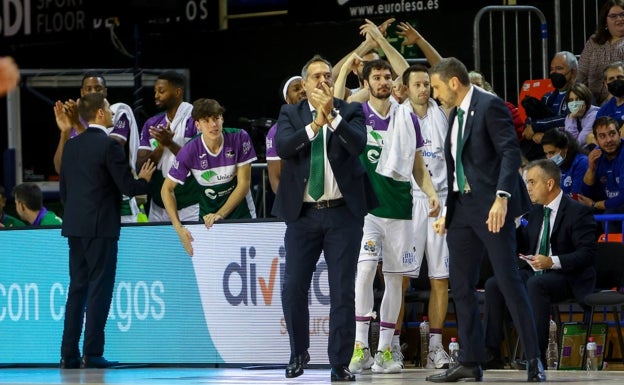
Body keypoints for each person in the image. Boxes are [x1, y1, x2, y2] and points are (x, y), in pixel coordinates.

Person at [428, 57, 545, 382]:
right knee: (461, 287)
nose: (435, 95)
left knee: (508, 282)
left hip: (493, 207)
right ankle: (470, 360)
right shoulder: (454, 114)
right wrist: (448, 213)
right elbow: (456, 169)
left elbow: (509, 151)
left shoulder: (490, 106)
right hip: (462, 210)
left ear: (453, 82)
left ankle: (534, 359)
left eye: (436, 87)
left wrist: (502, 197)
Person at [272, 54, 378, 382]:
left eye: (327, 75)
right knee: (292, 288)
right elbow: (285, 147)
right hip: (303, 215)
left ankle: (339, 364)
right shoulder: (290, 113)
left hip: (342, 215)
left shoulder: (350, 111)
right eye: (316, 76)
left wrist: (331, 117)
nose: (323, 81)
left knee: (343, 291)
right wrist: (315, 124)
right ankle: (298, 352)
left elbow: (358, 144)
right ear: (304, 85)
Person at [348, 60, 439, 375]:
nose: (384, 81)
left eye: (388, 77)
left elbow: (417, 166)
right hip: (368, 212)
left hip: (400, 211)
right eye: (377, 77)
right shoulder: (358, 114)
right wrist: (357, 56)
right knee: (364, 272)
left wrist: (431, 193)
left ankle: (386, 349)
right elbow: (341, 100)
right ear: (366, 82)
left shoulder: (407, 118)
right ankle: (361, 347)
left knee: (395, 281)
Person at [59, 92, 156, 369]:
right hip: (101, 228)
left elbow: (64, 192)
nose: (113, 113)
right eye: (108, 108)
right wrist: (145, 180)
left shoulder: (72, 146)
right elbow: (127, 187)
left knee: (77, 289)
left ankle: (68, 354)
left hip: (75, 227)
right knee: (99, 289)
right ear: (100, 113)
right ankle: (93, 352)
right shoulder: (109, 146)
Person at [483, 159, 597, 369]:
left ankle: (534, 357)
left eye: (532, 182)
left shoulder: (578, 212)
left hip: (567, 276)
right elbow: (522, 246)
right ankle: (492, 353)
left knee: (536, 286)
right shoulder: (534, 212)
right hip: (535, 272)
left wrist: (551, 261)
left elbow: (587, 254)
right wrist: (514, 223)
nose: (528, 188)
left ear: (549, 184)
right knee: (495, 284)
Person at [162, 98, 257, 256]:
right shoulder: (190, 150)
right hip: (208, 221)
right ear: (197, 125)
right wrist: (179, 229)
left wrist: (220, 214)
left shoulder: (239, 137)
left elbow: (244, 184)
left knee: (247, 268)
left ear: (222, 119)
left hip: (242, 215)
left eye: (216, 118)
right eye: (206, 121)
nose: (213, 125)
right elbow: (166, 189)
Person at [403, 64, 452, 369]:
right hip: (412, 202)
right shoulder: (399, 114)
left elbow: (445, 63)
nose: (423, 89)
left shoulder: (442, 111)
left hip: (443, 201)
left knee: (440, 279)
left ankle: (436, 345)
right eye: (416, 84)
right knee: (401, 279)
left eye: (426, 83)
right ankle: (390, 346)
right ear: (405, 87)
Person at [53, 71, 142, 223]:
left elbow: (106, 149)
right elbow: (60, 168)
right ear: (82, 92)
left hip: (118, 206)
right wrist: (65, 132)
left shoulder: (115, 112)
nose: (94, 92)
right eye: (89, 89)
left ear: (105, 91)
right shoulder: (73, 121)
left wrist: (77, 125)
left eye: (98, 88)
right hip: (86, 204)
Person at [136, 70, 200, 223]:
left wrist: (170, 144)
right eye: (155, 91)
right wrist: (161, 146)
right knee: (159, 248)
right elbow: (141, 166)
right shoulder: (152, 124)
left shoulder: (195, 121)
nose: (156, 95)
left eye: (161, 91)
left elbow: (199, 164)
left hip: (190, 205)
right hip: (158, 207)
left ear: (178, 92)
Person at [523, 51, 578, 144]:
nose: (554, 72)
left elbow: (568, 119)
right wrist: (531, 129)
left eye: (559, 68)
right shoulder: (547, 97)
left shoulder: (580, 95)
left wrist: (537, 127)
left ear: (573, 72)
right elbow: (531, 118)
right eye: (552, 69)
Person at [265, 75, 307, 194]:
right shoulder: (276, 131)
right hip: (296, 197)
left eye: (304, 86)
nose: (303, 90)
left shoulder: (322, 119)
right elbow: (275, 178)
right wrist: (290, 207)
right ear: (287, 99)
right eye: (296, 89)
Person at [579, 116, 624, 223]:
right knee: (579, 213)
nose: (608, 140)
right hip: (608, 207)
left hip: (618, 208)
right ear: (596, 140)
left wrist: (594, 204)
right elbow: (585, 194)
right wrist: (591, 169)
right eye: (602, 136)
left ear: (620, 134)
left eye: (612, 134)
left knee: (611, 214)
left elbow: (622, 198)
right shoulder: (597, 154)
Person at [578, 0, 624, 105]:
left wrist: (606, 105)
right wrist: (580, 98)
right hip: (590, 101)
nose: (620, 19)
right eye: (613, 16)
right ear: (605, 22)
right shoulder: (593, 42)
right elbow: (581, 75)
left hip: (618, 102)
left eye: (622, 14)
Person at [540, 129, 589, 198]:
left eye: (552, 153)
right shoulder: (553, 167)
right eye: (546, 153)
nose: (549, 157)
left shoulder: (582, 163)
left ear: (565, 148)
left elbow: (577, 197)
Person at [563, 83, 599, 147]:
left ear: (586, 100)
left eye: (578, 99)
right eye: (571, 100)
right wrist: (571, 118)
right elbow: (569, 142)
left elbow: (577, 144)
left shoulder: (594, 115)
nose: (574, 103)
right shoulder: (570, 117)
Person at [595, 61, 624, 126]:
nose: (616, 81)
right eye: (611, 79)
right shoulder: (604, 109)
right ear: (606, 84)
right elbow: (592, 134)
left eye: (620, 77)